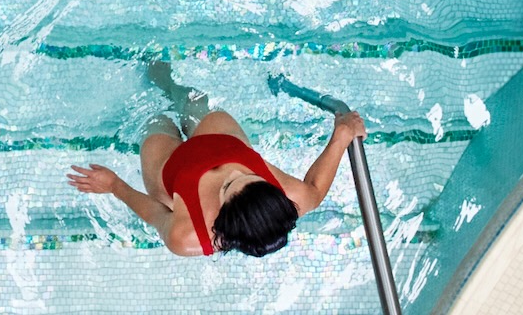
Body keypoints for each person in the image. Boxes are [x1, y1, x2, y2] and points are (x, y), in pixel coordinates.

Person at [66, 61, 366, 257]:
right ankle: (161, 77)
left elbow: (156, 214)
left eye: (227, 186)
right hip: (219, 137)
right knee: (189, 97)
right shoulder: (291, 198)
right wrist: (341, 136)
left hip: (170, 169)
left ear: (221, 217)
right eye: (248, 176)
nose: (228, 173)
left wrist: (115, 185)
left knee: (153, 118)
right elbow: (315, 189)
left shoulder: (188, 237)